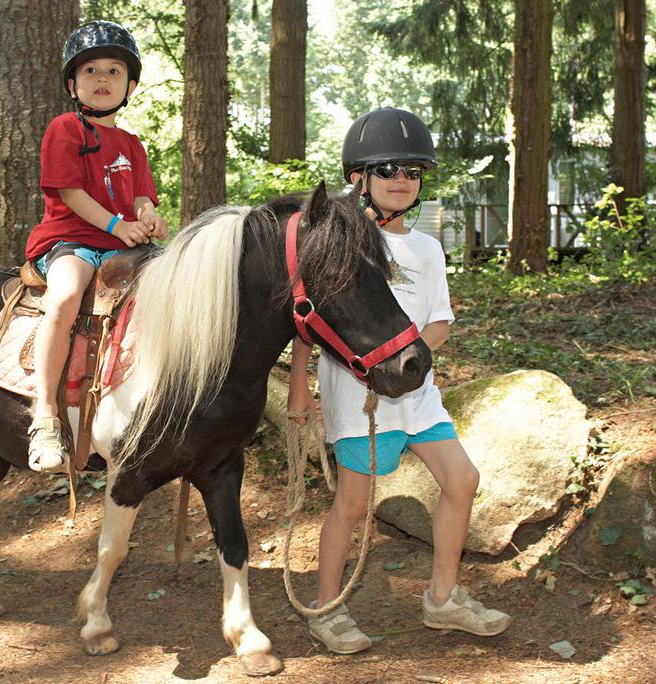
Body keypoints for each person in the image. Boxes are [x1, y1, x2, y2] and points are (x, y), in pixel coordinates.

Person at [287, 107, 511, 654]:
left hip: (417, 397)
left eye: (412, 171)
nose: (401, 180)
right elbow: (308, 317)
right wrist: (300, 387)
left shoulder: (428, 247)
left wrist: (407, 363)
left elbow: (438, 320)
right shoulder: (341, 237)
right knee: (353, 506)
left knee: (462, 480)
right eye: (387, 169)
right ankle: (326, 608)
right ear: (358, 177)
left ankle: (442, 598)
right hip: (357, 398)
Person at [26, 21, 167, 473]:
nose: (102, 79)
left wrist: (145, 216)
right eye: (90, 70)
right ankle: (45, 415)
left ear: (128, 84)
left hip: (122, 245)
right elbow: (70, 194)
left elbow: (142, 195)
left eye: (113, 70)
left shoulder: (131, 143)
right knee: (66, 296)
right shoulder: (64, 129)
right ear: (73, 84)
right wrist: (117, 225)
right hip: (71, 240)